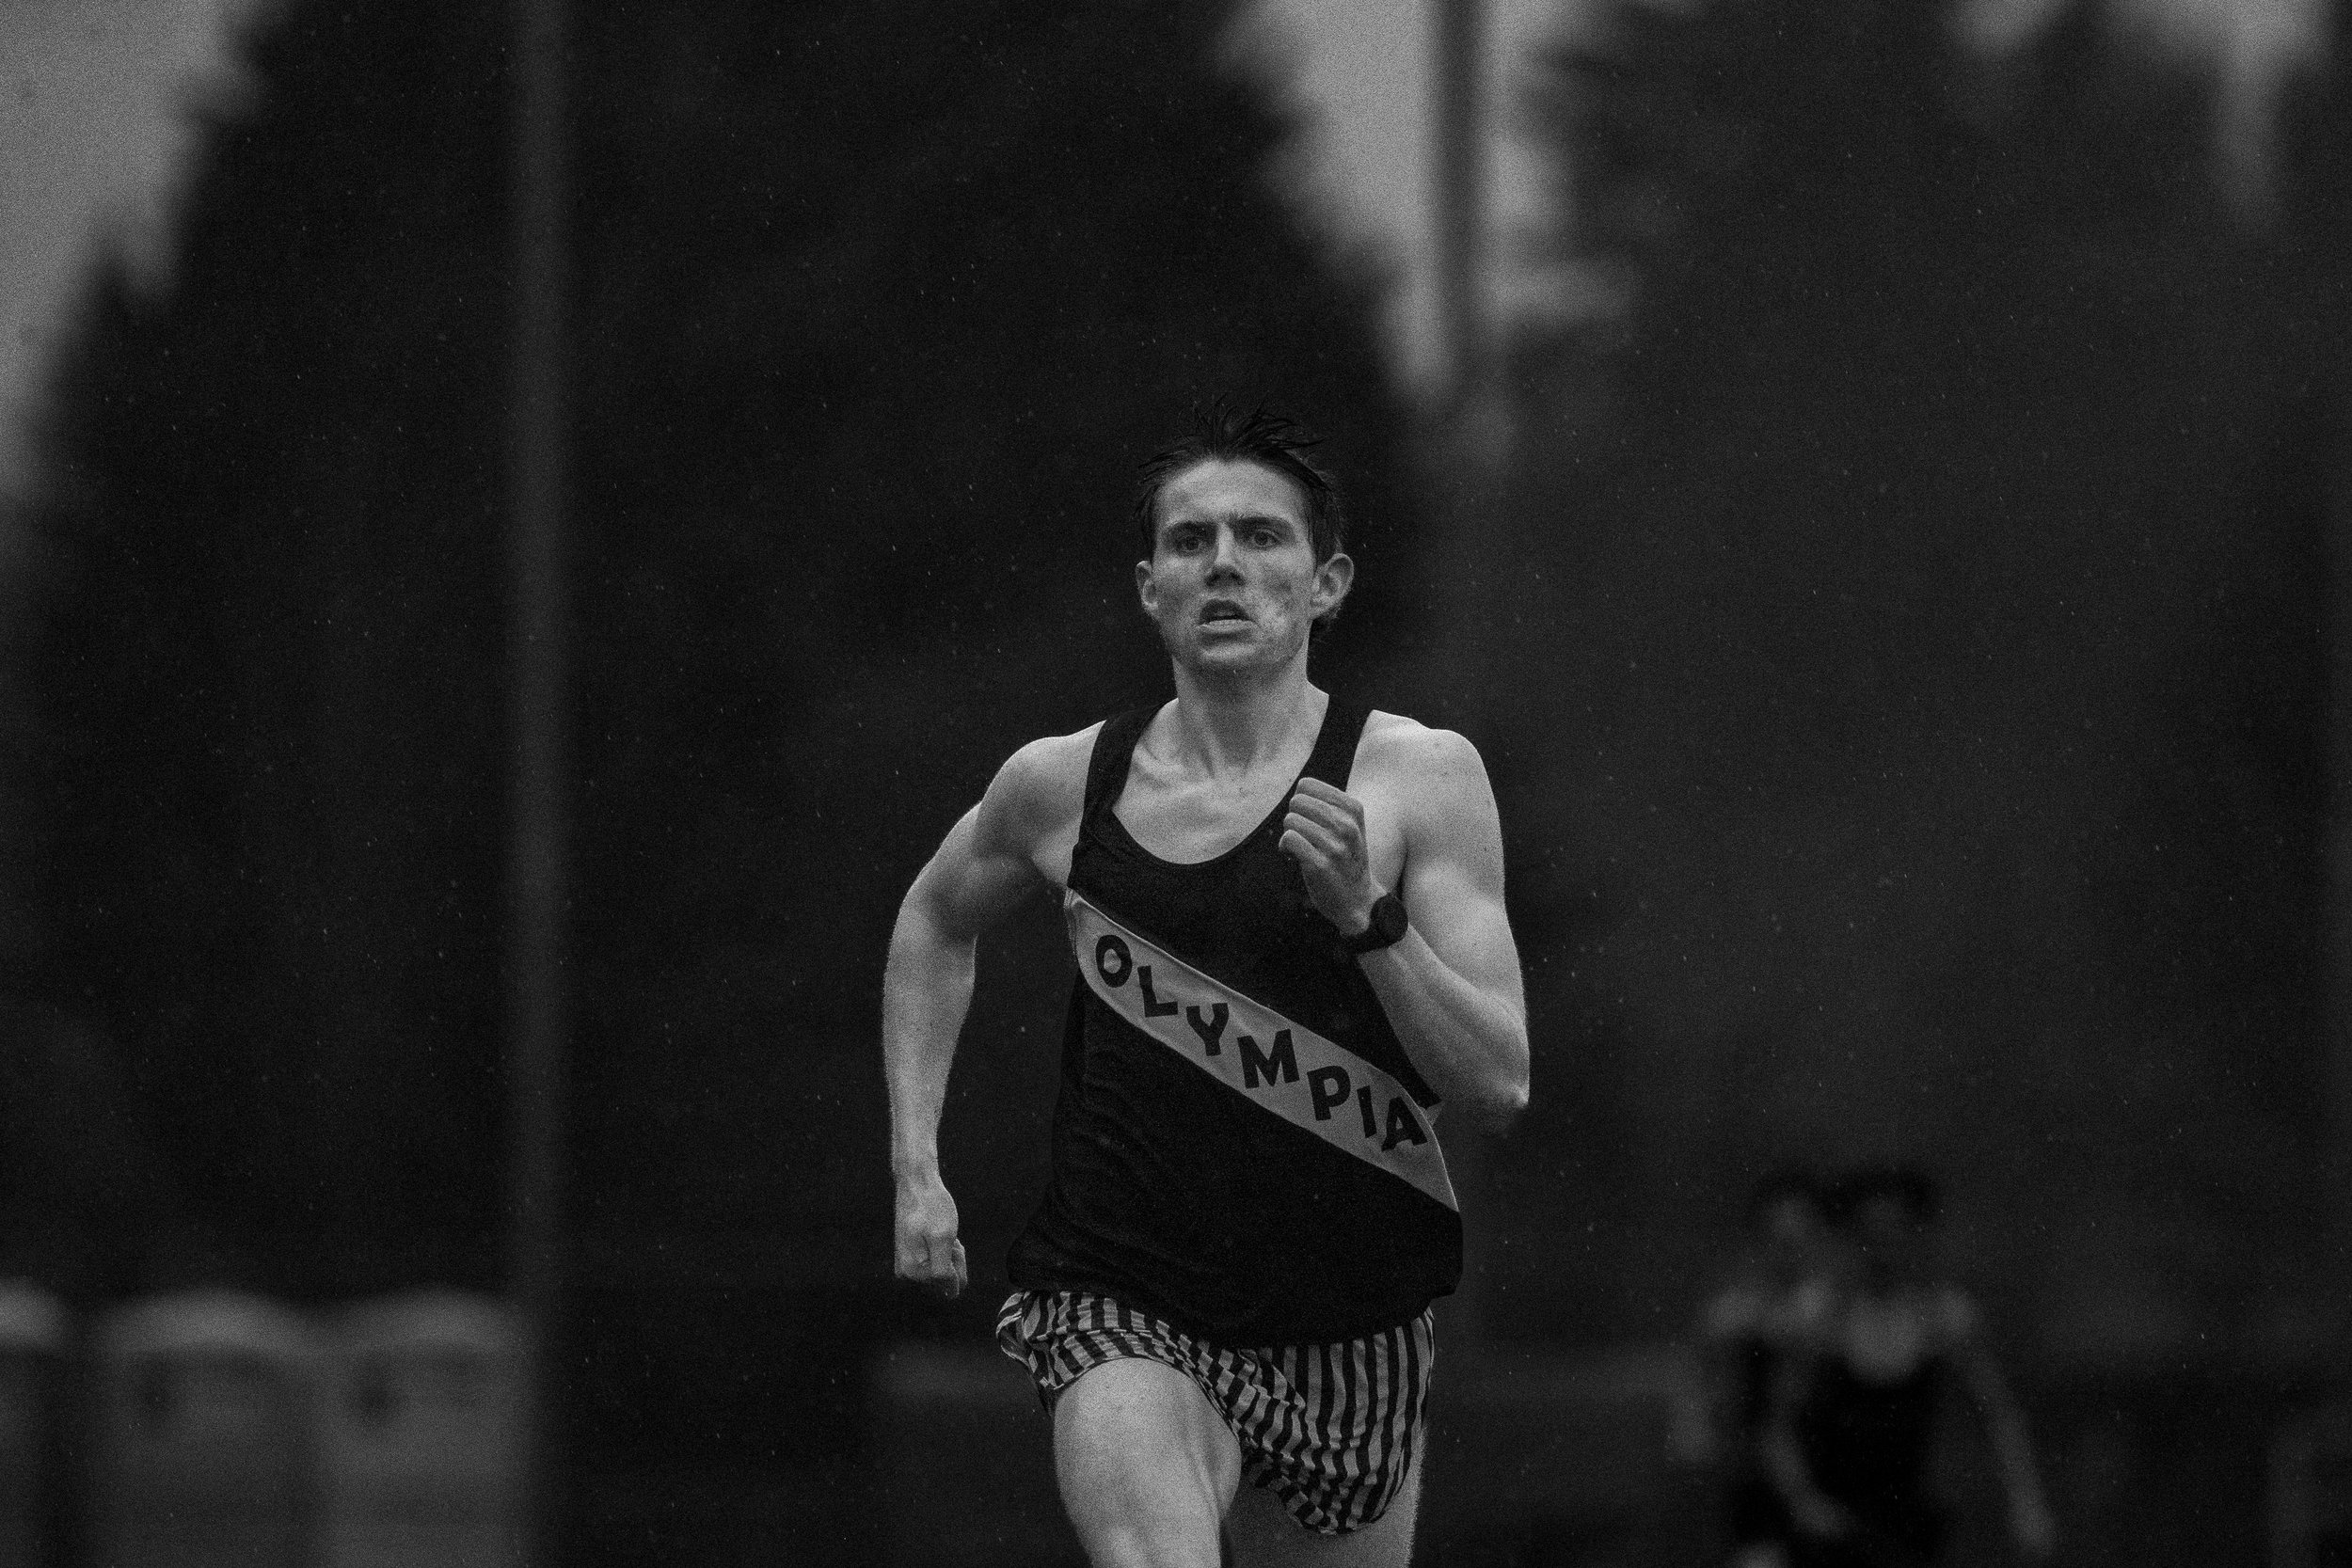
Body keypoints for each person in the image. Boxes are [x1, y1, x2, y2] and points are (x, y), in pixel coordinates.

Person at [882, 404, 1530, 1567]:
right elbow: (934, 917)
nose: (1223, 561)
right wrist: (915, 1163)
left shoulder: (1421, 779)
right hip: (1121, 1294)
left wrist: (1368, 924)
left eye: (1260, 536)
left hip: (1353, 1324)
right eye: (1191, 541)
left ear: (1326, 582)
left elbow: (1498, 1081)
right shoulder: (1059, 783)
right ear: (1148, 586)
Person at [1765, 1167, 2056, 1568]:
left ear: (1915, 1235)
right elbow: (1778, 1428)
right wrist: (1803, 1500)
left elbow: (1999, 1418)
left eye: (1895, 1231)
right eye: (1870, 1231)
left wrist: (2027, 1506)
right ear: (1852, 1237)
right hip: (1832, 1525)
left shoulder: (1943, 1319)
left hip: (1911, 1519)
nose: (1882, 1246)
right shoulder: (1823, 1319)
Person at [1689, 1169, 1840, 1568]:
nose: (1788, 1248)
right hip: (1758, 1495)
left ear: (1819, 1236)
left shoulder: (1837, 1311)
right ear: (1759, 1241)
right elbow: (1708, 1411)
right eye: (1777, 1236)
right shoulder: (1732, 1318)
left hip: (1837, 1488)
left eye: (1799, 1234)